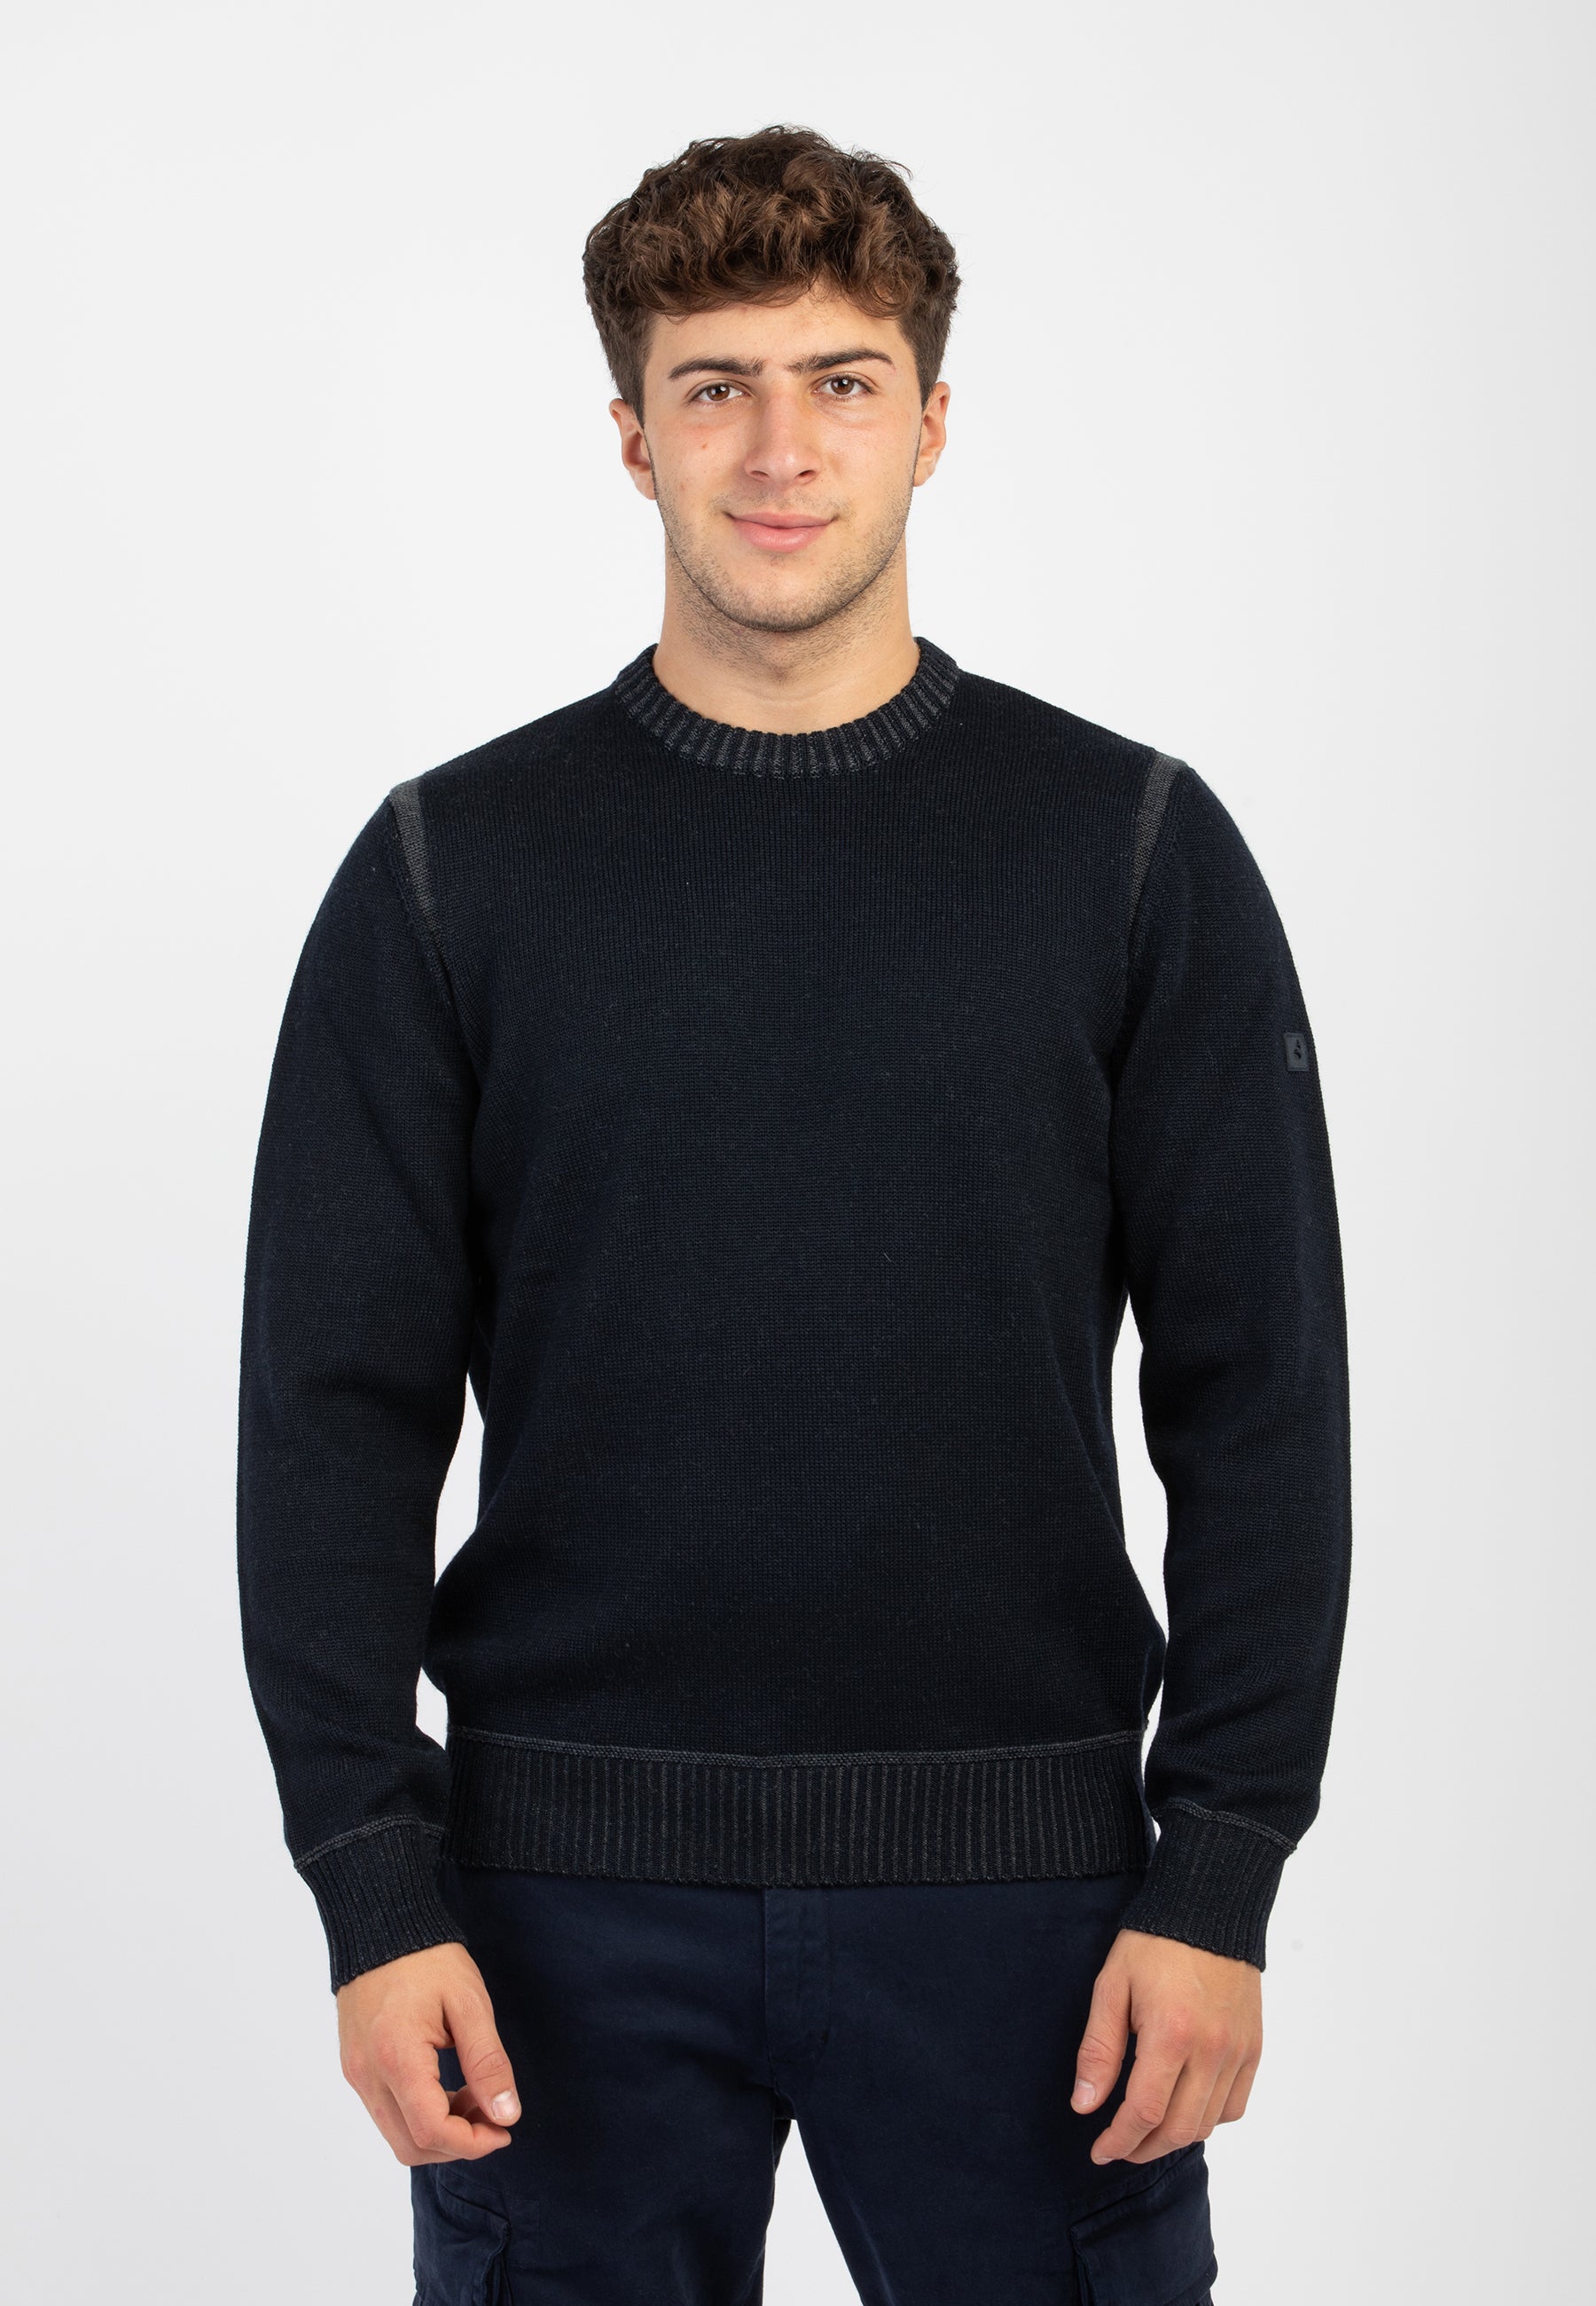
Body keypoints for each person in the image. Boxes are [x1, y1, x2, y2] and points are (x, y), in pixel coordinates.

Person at [236, 123, 1351, 2305]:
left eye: (841, 381)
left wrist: (1221, 1869)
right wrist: (373, 1884)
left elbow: (1262, 1401)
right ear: (629, 433)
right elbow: (331, 1416)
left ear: (931, 422)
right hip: (554, 1919)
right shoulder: (451, 874)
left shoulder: (1131, 853)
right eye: (715, 385)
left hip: (1038, 1914)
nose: (778, 448)